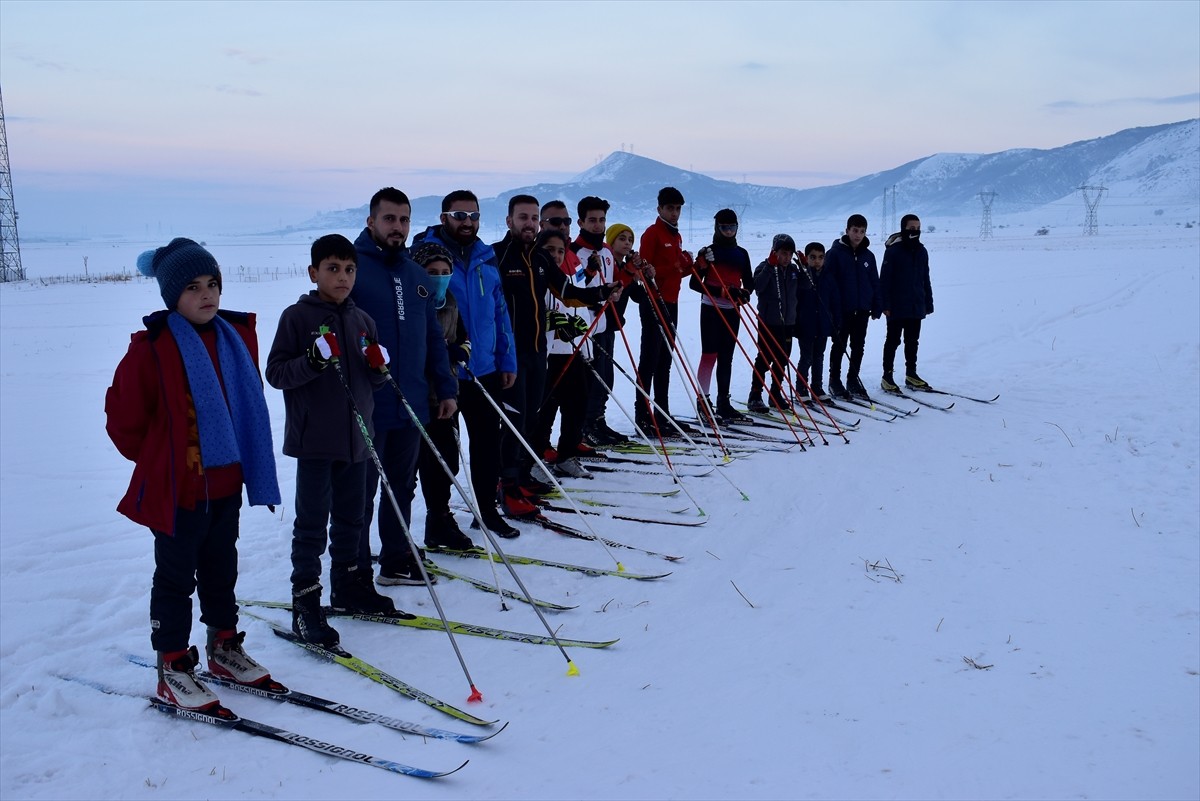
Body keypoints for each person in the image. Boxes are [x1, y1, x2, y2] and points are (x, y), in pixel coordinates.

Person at [106, 238, 283, 713]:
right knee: (175, 578)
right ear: (171, 296)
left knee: (222, 568)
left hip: (226, 482)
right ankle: (172, 666)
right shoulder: (152, 348)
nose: (207, 295)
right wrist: (158, 458)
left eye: (213, 284)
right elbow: (123, 418)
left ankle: (224, 647)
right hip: (180, 490)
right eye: (192, 287)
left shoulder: (232, 335)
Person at [265, 234, 398, 647]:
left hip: (358, 441)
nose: (342, 277)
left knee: (352, 519)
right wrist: (313, 361)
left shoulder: (363, 322)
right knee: (310, 526)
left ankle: (349, 585)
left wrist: (379, 369)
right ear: (313, 272)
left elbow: (371, 383)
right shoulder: (297, 318)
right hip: (315, 443)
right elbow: (277, 374)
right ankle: (305, 603)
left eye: (349, 269)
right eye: (333, 269)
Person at [351, 188, 458, 585]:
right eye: (389, 219)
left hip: (411, 401)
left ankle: (396, 558)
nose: (397, 227)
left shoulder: (416, 275)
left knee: (401, 487)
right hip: (367, 404)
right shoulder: (353, 268)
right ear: (371, 221)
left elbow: (433, 337)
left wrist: (446, 388)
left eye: (404, 220)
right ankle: (354, 568)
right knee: (360, 493)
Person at [494, 195, 615, 507]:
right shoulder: (497, 256)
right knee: (514, 422)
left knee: (530, 418)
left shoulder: (540, 257)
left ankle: (520, 476)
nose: (530, 223)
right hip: (511, 354)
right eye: (523, 217)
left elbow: (567, 291)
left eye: (534, 218)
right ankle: (505, 484)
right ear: (509, 221)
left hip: (538, 352)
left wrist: (601, 292)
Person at [411, 190, 520, 537]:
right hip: (444, 373)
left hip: (484, 368)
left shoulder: (486, 258)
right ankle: (438, 518)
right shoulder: (425, 257)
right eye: (459, 215)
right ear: (444, 218)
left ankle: (487, 510)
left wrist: (508, 359)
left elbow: (499, 313)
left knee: (488, 445)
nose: (467, 222)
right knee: (442, 451)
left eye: (473, 216)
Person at [409, 240, 478, 550]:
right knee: (410, 469)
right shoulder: (409, 301)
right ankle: (397, 538)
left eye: (444, 271)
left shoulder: (449, 299)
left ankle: (439, 520)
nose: (439, 277)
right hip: (416, 397)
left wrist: (461, 348)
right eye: (431, 271)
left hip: (446, 394)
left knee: (446, 461)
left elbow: (463, 335)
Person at [535, 229, 598, 478]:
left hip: (569, 352)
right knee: (544, 408)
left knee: (577, 402)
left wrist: (581, 334)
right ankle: (536, 456)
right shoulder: (535, 277)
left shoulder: (567, 279)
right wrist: (551, 321)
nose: (556, 255)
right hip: (542, 355)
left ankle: (567, 455)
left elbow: (578, 308)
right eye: (550, 249)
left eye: (561, 250)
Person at [689, 208, 754, 423]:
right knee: (710, 355)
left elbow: (750, 283)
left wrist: (743, 293)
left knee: (727, 357)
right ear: (717, 228)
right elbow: (694, 283)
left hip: (731, 310)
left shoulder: (741, 253)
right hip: (711, 309)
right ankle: (703, 402)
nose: (729, 231)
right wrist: (721, 290)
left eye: (732, 227)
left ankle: (723, 403)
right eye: (724, 227)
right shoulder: (709, 252)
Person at [635, 187, 693, 430]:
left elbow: (677, 271)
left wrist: (693, 264)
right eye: (670, 208)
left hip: (672, 302)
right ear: (659, 209)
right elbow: (645, 274)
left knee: (665, 361)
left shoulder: (675, 235)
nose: (674, 213)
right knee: (649, 359)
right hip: (653, 302)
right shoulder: (652, 234)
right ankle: (643, 415)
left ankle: (662, 412)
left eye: (678, 209)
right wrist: (679, 266)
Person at [826, 213, 880, 398]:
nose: (858, 235)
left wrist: (876, 305)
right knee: (839, 345)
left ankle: (853, 379)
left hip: (863, 309)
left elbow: (874, 281)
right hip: (842, 310)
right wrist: (831, 308)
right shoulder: (834, 254)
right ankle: (834, 381)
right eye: (855, 230)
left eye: (862, 231)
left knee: (858, 346)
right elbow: (828, 283)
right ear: (847, 230)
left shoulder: (869, 256)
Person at [879, 214, 934, 391]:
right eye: (912, 229)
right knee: (893, 341)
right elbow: (885, 280)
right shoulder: (893, 251)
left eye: (918, 229)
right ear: (904, 229)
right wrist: (885, 304)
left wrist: (928, 302)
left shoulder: (922, 251)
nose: (915, 232)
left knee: (912, 341)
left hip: (916, 304)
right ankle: (887, 377)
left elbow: (925, 278)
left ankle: (911, 374)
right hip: (896, 306)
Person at [746, 234, 800, 412]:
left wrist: (805, 268)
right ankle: (755, 394)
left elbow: (806, 288)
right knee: (765, 358)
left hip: (788, 322)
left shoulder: (793, 270)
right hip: (769, 322)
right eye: (783, 253)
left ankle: (775, 393)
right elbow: (758, 287)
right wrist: (770, 266)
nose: (786, 258)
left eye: (789, 254)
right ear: (774, 252)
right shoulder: (765, 267)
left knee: (783, 359)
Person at [794, 241, 841, 402]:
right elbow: (796, 301)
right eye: (813, 257)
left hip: (823, 325)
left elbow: (835, 302)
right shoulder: (802, 276)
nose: (817, 261)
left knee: (819, 357)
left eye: (821, 257)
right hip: (806, 325)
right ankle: (801, 388)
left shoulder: (829, 277)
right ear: (806, 258)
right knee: (806, 357)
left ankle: (817, 387)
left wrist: (836, 323)